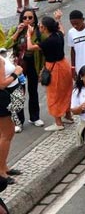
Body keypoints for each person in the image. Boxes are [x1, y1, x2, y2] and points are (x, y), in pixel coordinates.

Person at [26, 13, 73, 131]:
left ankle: (58, 122)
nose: (39, 28)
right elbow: (62, 30)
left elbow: (30, 48)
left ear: (45, 28)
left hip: (54, 68)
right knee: (66, 91)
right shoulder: (58, 35)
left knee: (54, 94)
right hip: (64, 65)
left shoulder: (48, 41)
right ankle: (68, 116)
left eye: (41, 26)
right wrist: (58, 19)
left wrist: (28, 35)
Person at [0, 46, 22, 182]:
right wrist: (16, 73)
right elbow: (1, 84)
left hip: (5, 97)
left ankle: (4, 166)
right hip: (3, 98)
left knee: (4, 134)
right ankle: (1, 171)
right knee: (7, 134)